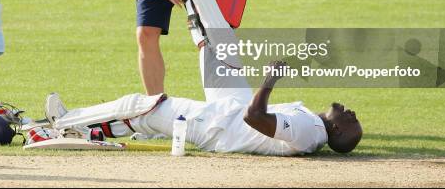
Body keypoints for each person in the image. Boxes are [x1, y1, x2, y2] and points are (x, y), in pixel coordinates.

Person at [45, 60, 363, 156]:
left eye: (350, 120)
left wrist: (270, 79)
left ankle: (64, 120)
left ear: (336, 130)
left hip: (213, 126)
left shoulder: (310, 130)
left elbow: (254, 117)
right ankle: (81, 129)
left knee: (141, 105)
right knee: (146, 120)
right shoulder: (313, 126)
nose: (351, 112)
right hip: (216, 124)